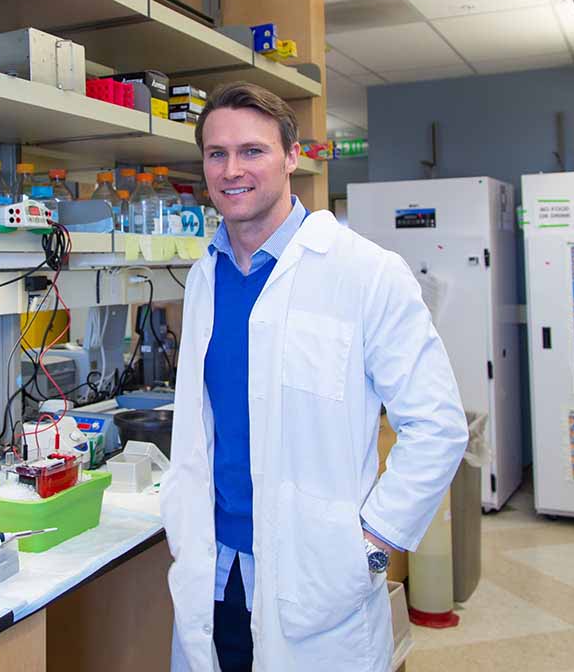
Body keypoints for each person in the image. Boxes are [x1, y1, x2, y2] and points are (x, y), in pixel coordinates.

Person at [159, 81, 468, 671]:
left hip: (319, 580)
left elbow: (438, 428)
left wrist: (372, 551)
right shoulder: (204, 278)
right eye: (216, 154)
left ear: (292, 156)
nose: (232, 170)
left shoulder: (366, 273)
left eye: (253, 151)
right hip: (216, 572)